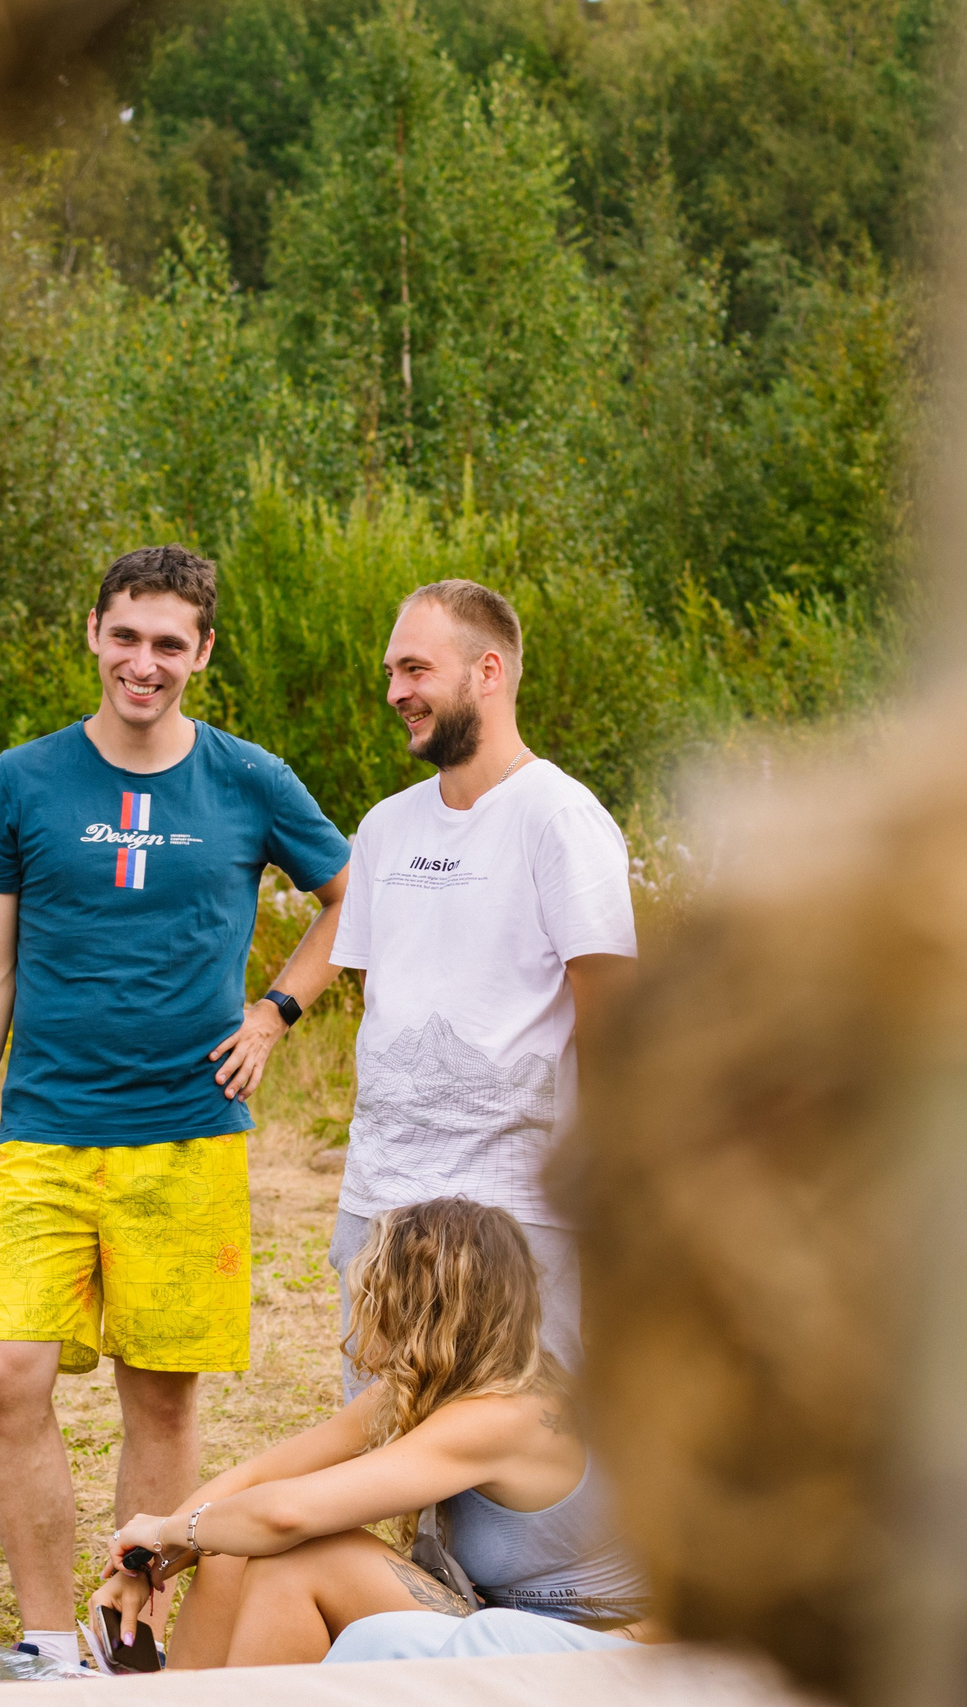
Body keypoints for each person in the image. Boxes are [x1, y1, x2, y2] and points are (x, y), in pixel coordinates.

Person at [0, 544, 353, 1671]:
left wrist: (275, 1012)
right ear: (93, 633)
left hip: (188, 1137)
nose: (144, 662)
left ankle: (128, 1638)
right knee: (2, 1372)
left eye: (169, 643)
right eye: (126, 636)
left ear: (203, 652)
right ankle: (43, 1643)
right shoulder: (23, 780)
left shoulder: (250, 779)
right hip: (44, 1131)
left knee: (159, 1404)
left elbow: (352, 900)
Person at [87, 1198, 650, 1669]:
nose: (362, 1313)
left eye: (373, 1294)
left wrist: (167, 1530)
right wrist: (146, 1563)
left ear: (416, 1310)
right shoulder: (444, 1386)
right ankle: (176, 1695)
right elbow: (260, 1478)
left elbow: (285, 1514)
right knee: (233, 1538)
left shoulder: (503, 1415)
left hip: (596, 1653)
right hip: (514, 1631)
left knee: (293, 1557)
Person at [326, 580, 637, 1385]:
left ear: (488, 671)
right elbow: (389, 1004)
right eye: (392, 673)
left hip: (516, 1216)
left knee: (519, 1449)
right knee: (377, 1446)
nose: (395, 692)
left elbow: (611, 1020)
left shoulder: (559, 818)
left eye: (416, 669)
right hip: (379, 1208)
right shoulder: (385, 827)